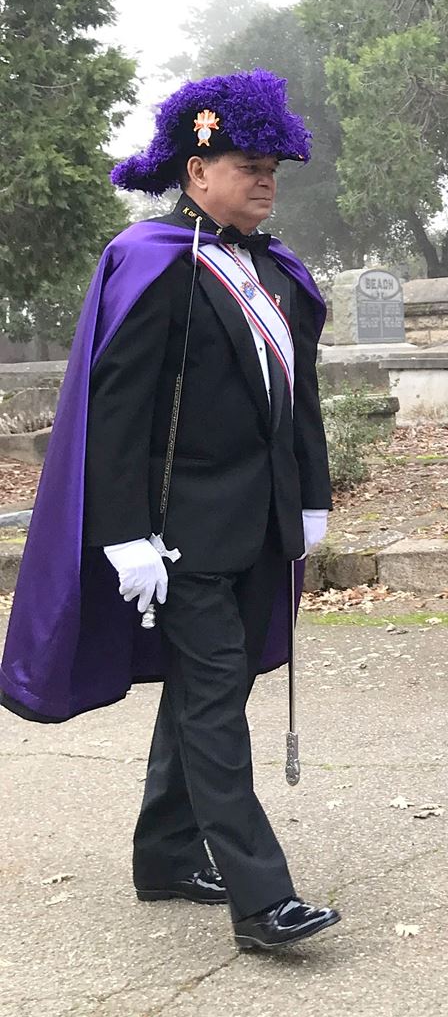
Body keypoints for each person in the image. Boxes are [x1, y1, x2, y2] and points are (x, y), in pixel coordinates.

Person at [0, 71, 341, 952]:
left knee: (207, 687)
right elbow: (116, 411)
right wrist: (124, 534)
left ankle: (162, 854)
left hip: (259, 521)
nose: (266, 180)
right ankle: (264, 900)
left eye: (273, 167)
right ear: (195, 171)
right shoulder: (156, 261)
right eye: (247, 164)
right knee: (217, 702)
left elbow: (299, 402)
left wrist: (311, 498)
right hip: (177, 531)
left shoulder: (276, 271)